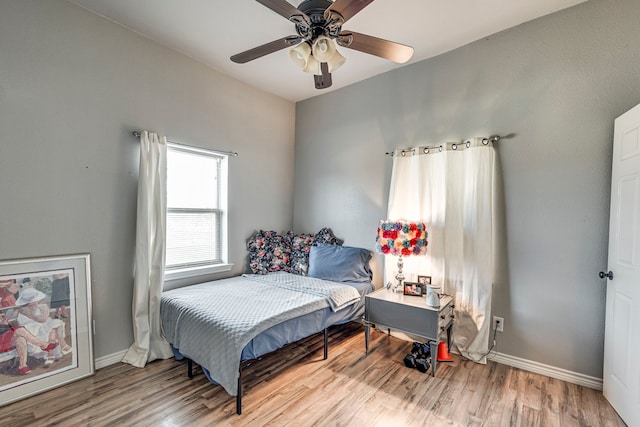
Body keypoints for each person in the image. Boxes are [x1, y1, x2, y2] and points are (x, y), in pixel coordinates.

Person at [1, 280, 58, 374]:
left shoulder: (19, 308)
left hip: (6, 335)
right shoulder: (11, 304)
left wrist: (5, 322)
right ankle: (44, 345)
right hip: (2, 338)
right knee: (20, 330)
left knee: (21, 338)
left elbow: (9, 322)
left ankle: (22, 366)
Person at [16, 287, 70, 366]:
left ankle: (54, 351)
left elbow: (43, 319)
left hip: (41, 325)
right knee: (52, 329)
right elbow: (25, 323)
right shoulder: (23, 310)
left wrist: (38, 314)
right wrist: (33, 315)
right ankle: (61, 347)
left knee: (55, 327)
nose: (37, 301)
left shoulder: (39, 307)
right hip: (31, 330)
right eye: (35, 300)